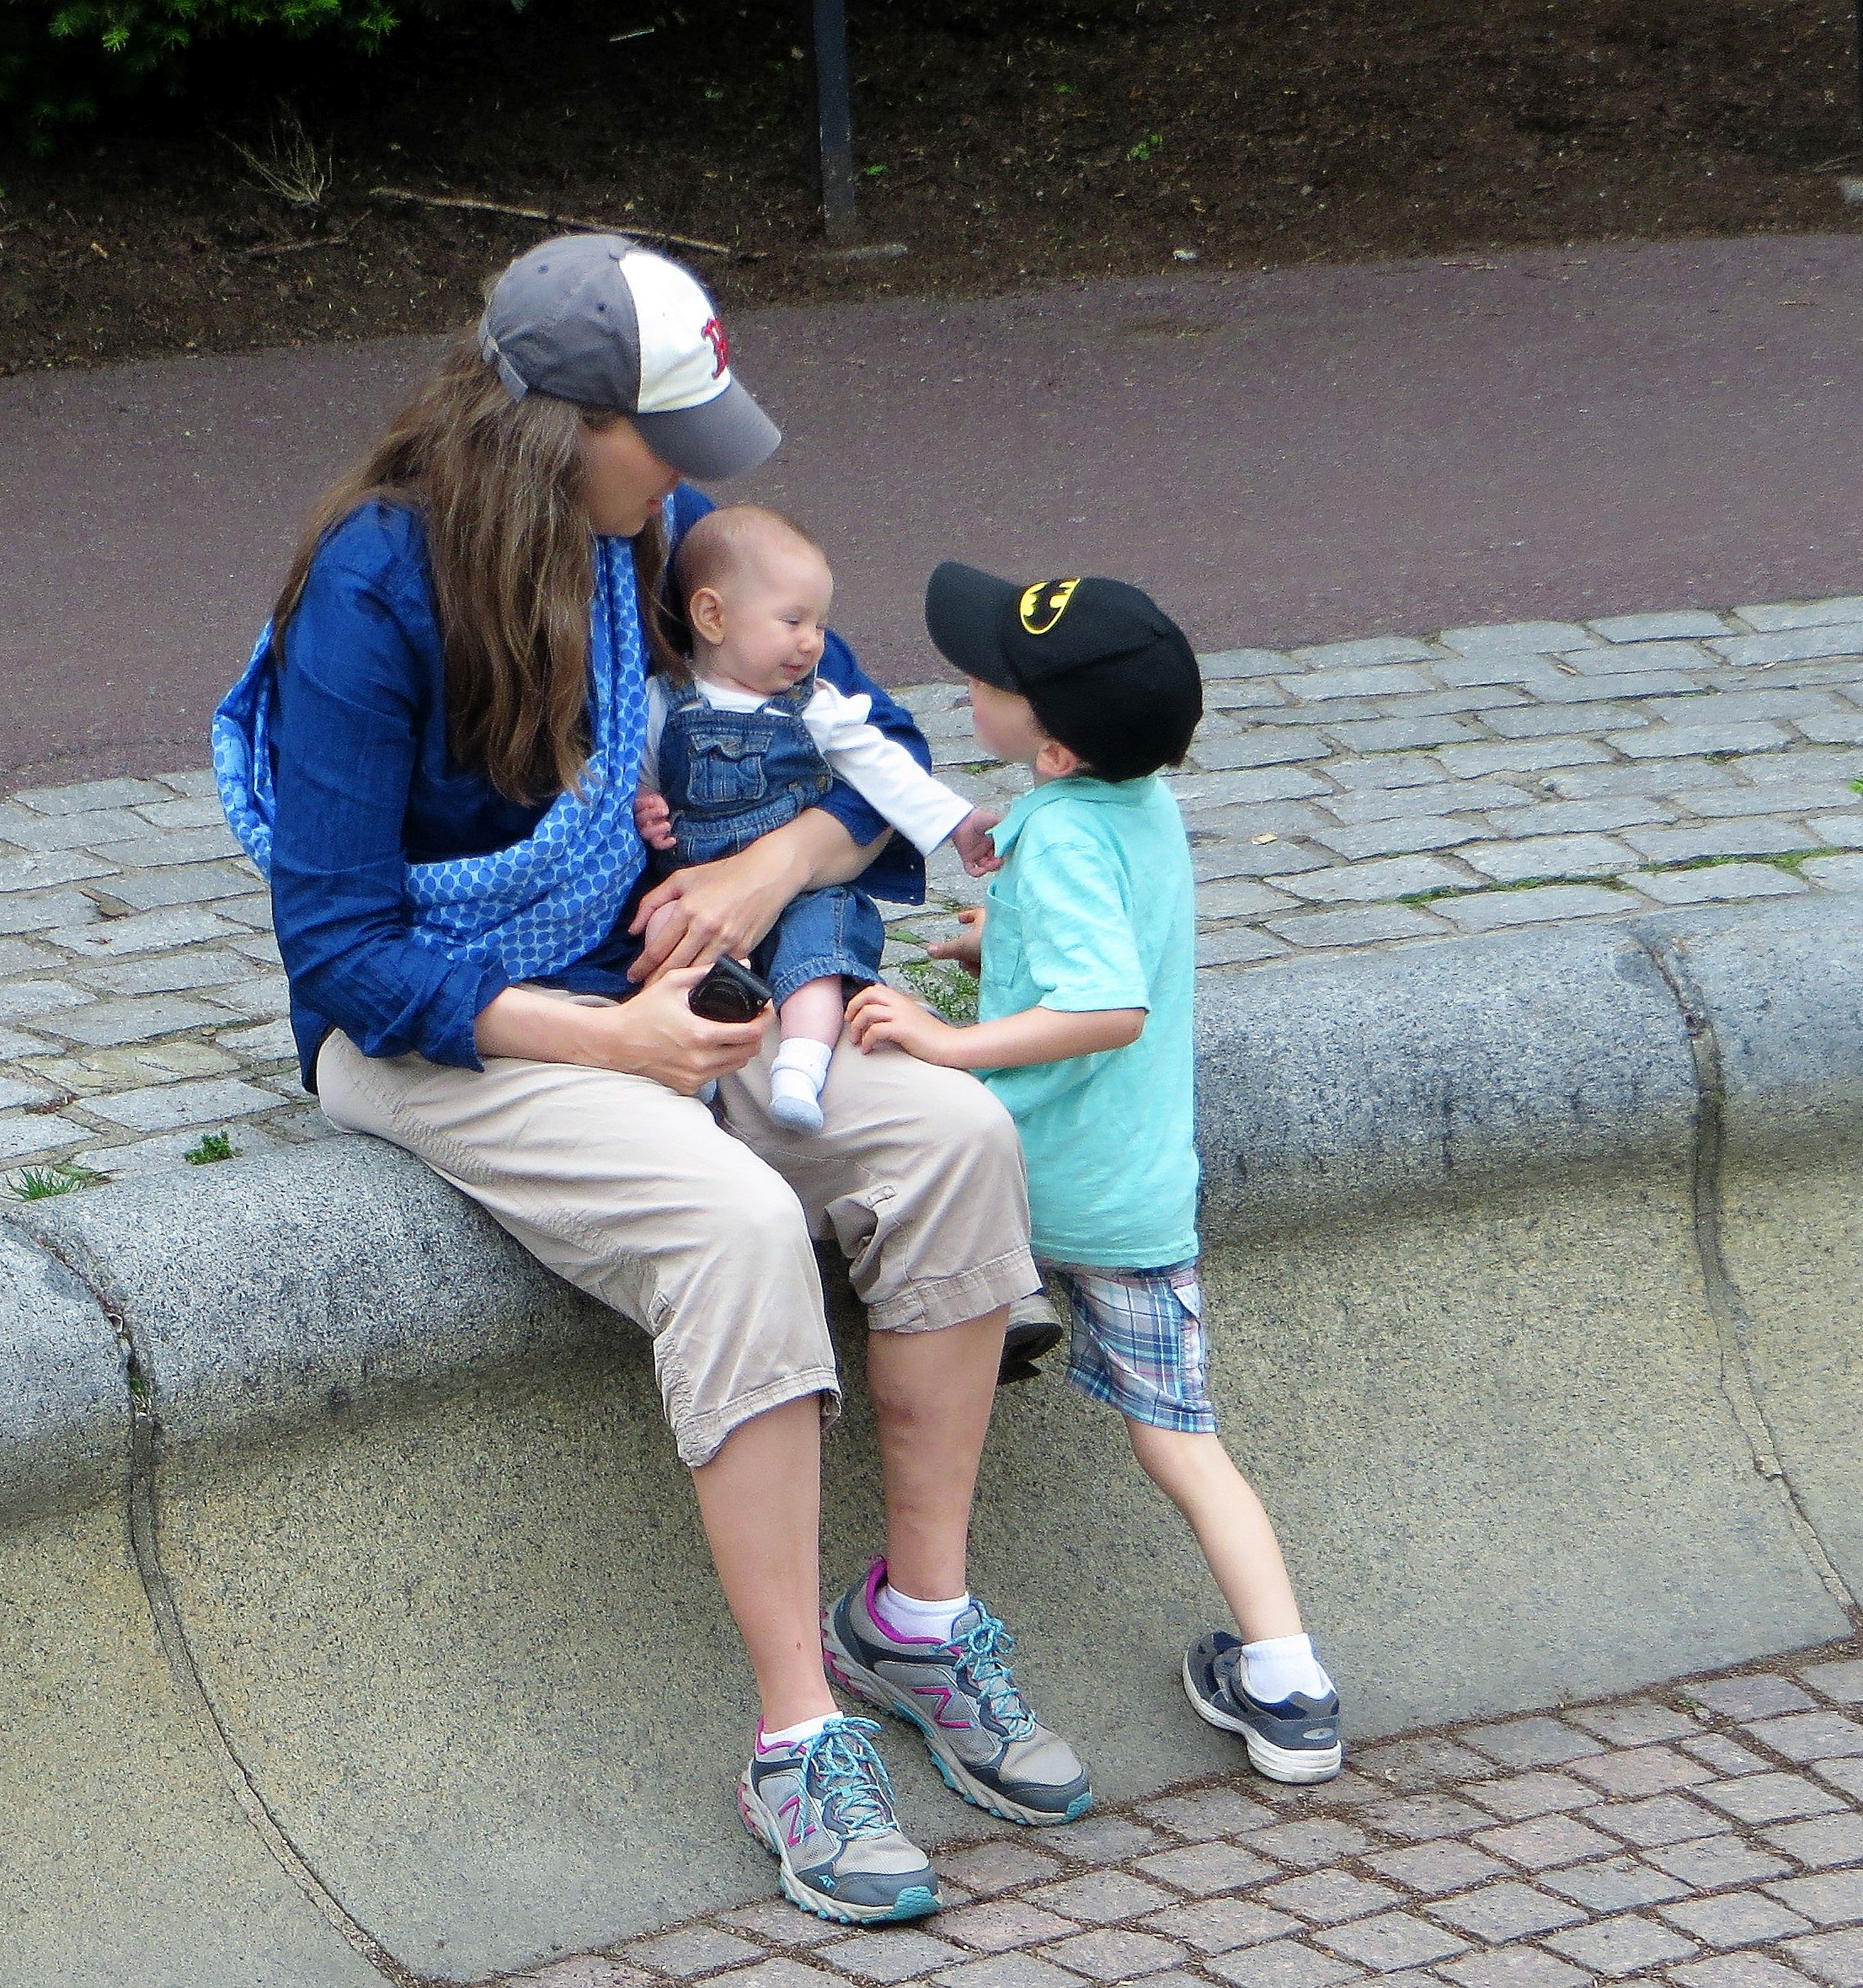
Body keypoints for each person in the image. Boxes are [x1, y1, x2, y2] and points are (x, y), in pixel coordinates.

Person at [221, 234, 1090, 1927]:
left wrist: (763, 876)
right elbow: (340, 954)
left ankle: (917, 1622)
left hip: (658, 978)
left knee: (955, 1136)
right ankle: (797, 1738)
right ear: (560, 428)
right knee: (734, 1224)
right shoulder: (370, 592)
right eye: (666, 437)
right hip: (452, 1027)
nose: (694, 474)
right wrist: (614, 1043)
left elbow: (885, 755)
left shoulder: (663, 537)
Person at [844, 564, 1348, 1784]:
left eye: (990, 679)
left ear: (1058, 749)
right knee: (1181, 1439)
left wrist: (948, 1040)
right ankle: (1290, 1683)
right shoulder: (1139, 802)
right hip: (1138, 1196)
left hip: (1037, 1181)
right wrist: (1003, 941)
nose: (970, 683)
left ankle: (1010, 1310)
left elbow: (1108, 1004)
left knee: (911, 1211)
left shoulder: (1060, 831)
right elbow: (1119, 936)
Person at [635, 504, 1000, 1131]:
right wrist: (647, 805)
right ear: (712, 616)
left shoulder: (815, 704)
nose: (812, 642)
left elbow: (883, 765)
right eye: (793, 622)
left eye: (820, 625)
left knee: (819, 956)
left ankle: (801, 1066)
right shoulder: (666, 698)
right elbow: (640, 767)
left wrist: (955, 821)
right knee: (672, 936)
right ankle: (697, 1059)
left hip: (802, 889)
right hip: (695, 879)